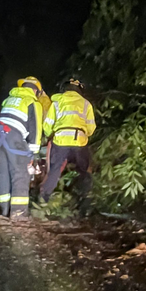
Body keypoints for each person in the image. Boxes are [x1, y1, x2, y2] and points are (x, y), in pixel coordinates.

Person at [0, 76, 44, 219]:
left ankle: (5, 211)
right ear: (35, 91)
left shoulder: (9, 100)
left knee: (3, 173)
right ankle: (19, 214)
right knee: (20, 174)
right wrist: (34, 153)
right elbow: (35, 129)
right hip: (13, 137)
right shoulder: (32, 102)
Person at [40, 79, 96, 209]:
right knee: (84, 169)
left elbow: (48, 125)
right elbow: (91, 128)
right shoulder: (86, 104)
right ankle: (86, 198)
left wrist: (50, 135)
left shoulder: (57, 103)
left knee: (55, 170)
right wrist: (83, 134)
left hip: (60, 141)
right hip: (79, 140)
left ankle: (44, 199)